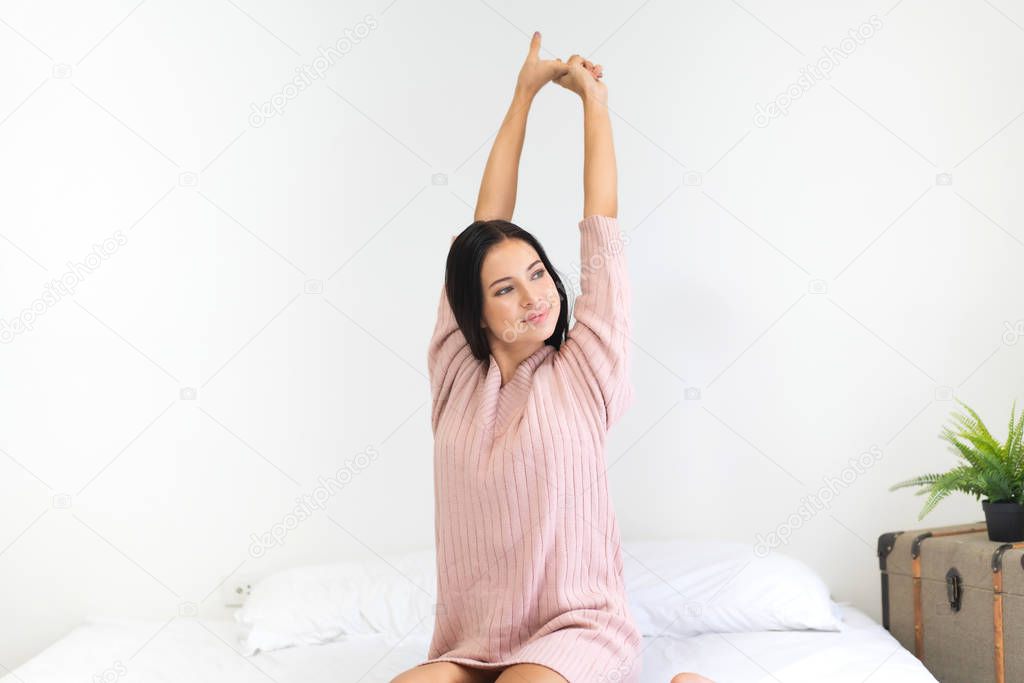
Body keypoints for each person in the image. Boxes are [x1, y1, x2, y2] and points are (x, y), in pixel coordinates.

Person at [390, 32, 715, 683]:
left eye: (538, 274)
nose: (535, 296)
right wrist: (524, 94)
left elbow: (602, 224)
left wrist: (593, 102)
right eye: (505, 288)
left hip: (578, 627)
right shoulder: (457, 371)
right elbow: (485, 221)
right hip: (470, 640)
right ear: (474, 310)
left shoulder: (584, 365)